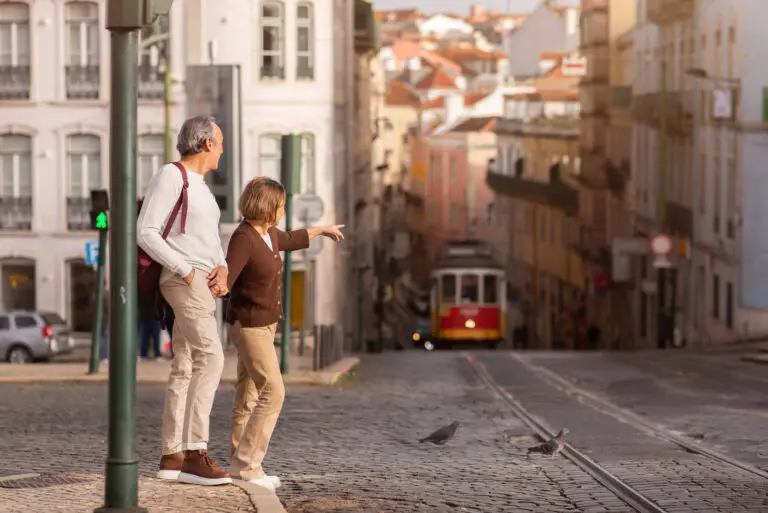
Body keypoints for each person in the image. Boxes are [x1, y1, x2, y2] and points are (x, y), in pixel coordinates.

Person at [224, 177, 344, 491]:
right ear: (267, 206)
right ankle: (248, 466)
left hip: (265, 323)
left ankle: (240, 460)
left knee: (248, 394)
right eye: (281, 205)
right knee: (274, 391)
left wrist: (321, 229)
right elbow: (228, 277)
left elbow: (291, 238)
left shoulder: (268, 235)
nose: (283, 211)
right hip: (249, 325)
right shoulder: (244, 238)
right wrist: (214, 281)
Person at [137, 115, 232, 486]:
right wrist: (186, 271)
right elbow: (146, 231)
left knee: (187, 362)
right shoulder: (171, 176)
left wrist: (222, 268)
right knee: (213, 357)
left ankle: (172, 455)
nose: (222, 151)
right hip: (184, 279)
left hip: (203, 282)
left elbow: (208, 241)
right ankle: (195, 451)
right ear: (207, 143)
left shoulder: (203, 189)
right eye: (220, 144)